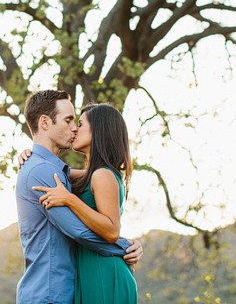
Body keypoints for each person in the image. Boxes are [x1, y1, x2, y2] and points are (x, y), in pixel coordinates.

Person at [16, 91, 142, 304]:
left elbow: (107, 225)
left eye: (79, 123)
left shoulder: (92, 175)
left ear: (99, 132)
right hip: (63, 288)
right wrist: (125, 247)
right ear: (45, 122)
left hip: (93, 276)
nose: (74, 128)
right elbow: (81, 230)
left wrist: (128, 246)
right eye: (70, 120)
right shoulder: (48, 172)